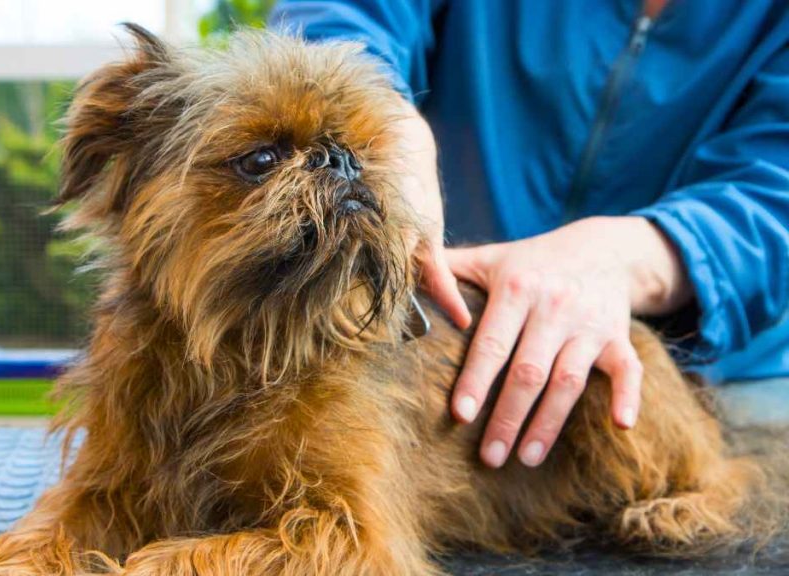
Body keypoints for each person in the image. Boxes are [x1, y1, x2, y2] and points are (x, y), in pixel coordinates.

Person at [268, 0, 789, 468]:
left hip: (726, 373)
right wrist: (375, 120)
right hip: (437, 338)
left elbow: (776, 190)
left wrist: (626, 257)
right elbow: (341, 14)